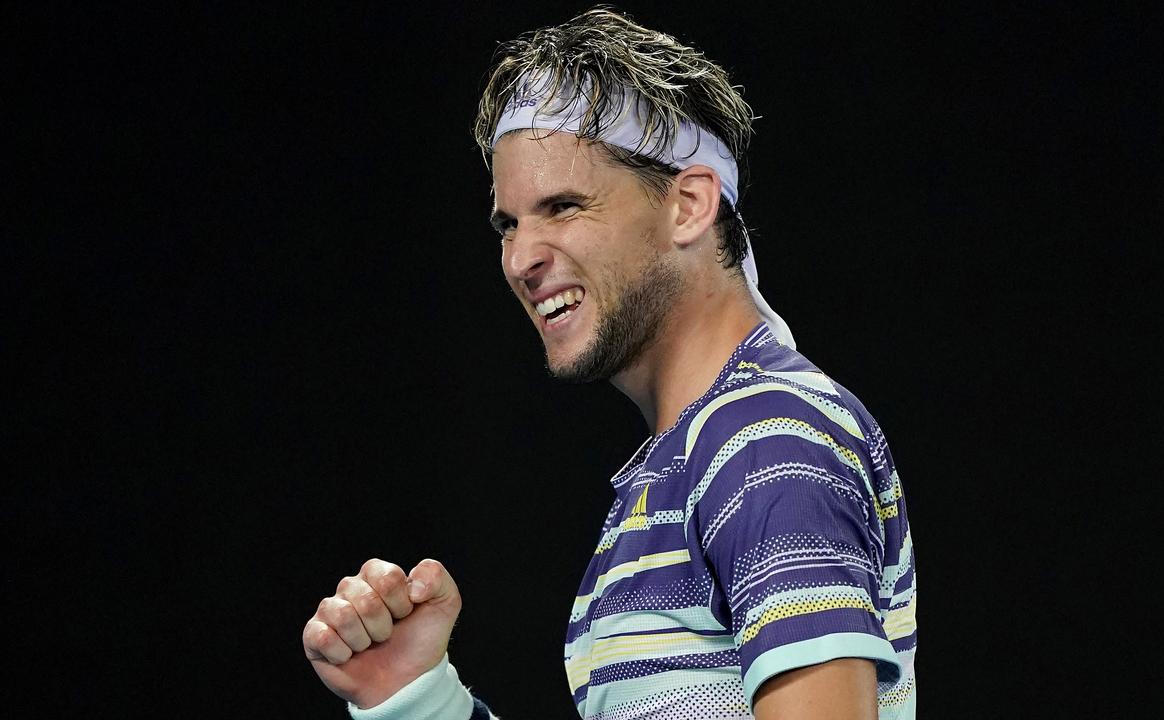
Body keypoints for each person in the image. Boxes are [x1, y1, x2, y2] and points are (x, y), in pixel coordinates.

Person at [302, 7, 917, 719]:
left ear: (687, 205)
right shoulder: (695, 460)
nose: (520, 258)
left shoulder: (764, 439)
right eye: (509, 223)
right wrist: (416, 699)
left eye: (562, 206)